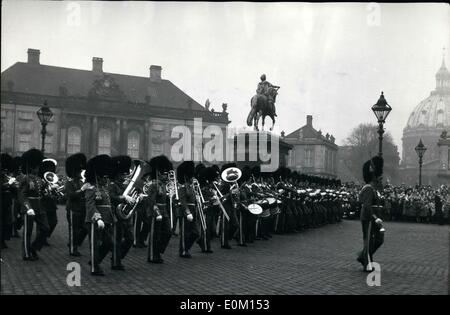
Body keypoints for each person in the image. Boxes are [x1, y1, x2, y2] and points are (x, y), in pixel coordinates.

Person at [84, 154, 114, 276]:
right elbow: (90, 205)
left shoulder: (104, 189)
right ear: (98, 176)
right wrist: (98, 218)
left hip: (106, 220)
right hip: (94, 221)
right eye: (103, 177)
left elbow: (108, 205)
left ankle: (94, 261)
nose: (106, 180)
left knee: (109, 243)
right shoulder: (91, 188)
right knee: (95, 244)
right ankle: (95, 267)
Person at [17, 149, 49, 261]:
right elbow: (22, 195)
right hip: (29, 208)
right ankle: (26, 253)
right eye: (36, 166)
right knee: (28, 232)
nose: (38, 168)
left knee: (46, 228)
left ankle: (34, 248)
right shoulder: (25, 179)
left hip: (39, 208)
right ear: (31, 167)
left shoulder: (40, 179)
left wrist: (49, 191)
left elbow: (41, 193)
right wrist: (28, 208)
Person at [357, 156, 385, 272]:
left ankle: (362, 257)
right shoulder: (368, 188)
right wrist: (374, 217)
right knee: (369, 241)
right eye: (378, 177)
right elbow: (367, 206)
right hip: (369, 217)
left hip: (375, 217)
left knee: (379, 239)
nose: (380, 179)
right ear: (374, 177)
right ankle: (367, 264)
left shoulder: (374, 188)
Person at [146, 155, 173, 263]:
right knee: (154, 235)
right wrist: (157, 213)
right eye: (164, 173)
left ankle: (158, 251)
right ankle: (153, 256)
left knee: (168, 232)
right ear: (158, 173)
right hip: (154, 212)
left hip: (164, 211)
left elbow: (164, 200)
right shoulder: (153, 185)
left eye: (166, 173)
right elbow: (151, 200)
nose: (166, 176)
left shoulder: (163, 185)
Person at [64, 153, 89, 256]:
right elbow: (71, 195)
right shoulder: (69, 183)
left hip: (82, 209)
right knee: (73, 230)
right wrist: (82, 190)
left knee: (85, 228)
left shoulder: (82, 182)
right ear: (74, 172)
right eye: (79, 171)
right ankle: (73, 250)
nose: (80, 173)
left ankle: (74, 243)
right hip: (73, 209)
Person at [177, 161, 200, 258]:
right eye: (191, 176)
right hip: (185, 213)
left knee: (195, 233)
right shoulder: (182, 187)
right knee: (185, 233)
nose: (193, 178)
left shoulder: (192, 187)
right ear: (187, 176)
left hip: (193, 211)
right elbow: (183, 202)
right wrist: (187, 213)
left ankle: (186, 248)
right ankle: (183, 250)